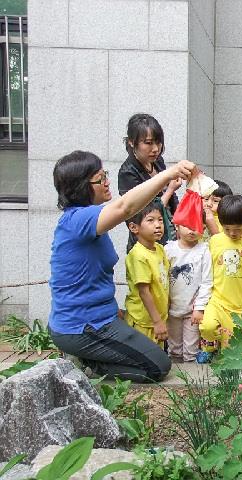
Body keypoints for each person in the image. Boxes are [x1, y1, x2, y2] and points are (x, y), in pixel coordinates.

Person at [49, 150, 195, 382]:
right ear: (81, 187)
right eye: (100, 178)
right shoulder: (77, 219)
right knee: (158, 367)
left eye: (104, 174)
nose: (107, 182)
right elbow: (125, 208)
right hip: (83, 327)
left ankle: (92, 357)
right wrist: (169, 174)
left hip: (101, 319)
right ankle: (91, 363)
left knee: (154, 358)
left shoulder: (87, 219)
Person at [200, 195, 242, 360]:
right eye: (227, 229)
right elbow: (207, 271)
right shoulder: (215, 241)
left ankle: (218, 350)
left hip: (239, 307)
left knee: (232, 354)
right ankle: (210, 346)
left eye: (238, 229)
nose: (233, 233)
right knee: (207, 327)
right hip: (217, 300)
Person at [118, 113, 182, 252]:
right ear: (131, 142)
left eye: (158, 142)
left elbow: (172, 200)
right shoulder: (127, 172)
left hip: (170, 237)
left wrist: (179, 224)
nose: (155, 149)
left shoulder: (158, 161)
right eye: (148, 143)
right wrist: (170, 189)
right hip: (145, 247)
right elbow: (142, 215)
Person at [165, 220, 212, 363]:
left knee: (191, 349)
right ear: (177, 226)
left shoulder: (204, 250)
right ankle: (176, 381)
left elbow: (207, 281)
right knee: (174, 349)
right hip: (171, 307)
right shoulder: (168, 249)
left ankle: (192, 380)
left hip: (192, 309)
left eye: (196, 226)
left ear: (203, 228)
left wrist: (199, 308)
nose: (192, 231)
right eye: (187, 226)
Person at [124, 203, 171, 346]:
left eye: (160, 220)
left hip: (157, 318)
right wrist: (157, 321)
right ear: (134, 227)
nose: (158, 225)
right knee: (146, 360)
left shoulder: (160, 249)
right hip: (143, 321)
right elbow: (144, 291)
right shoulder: (138, 255)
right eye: (150, 220)